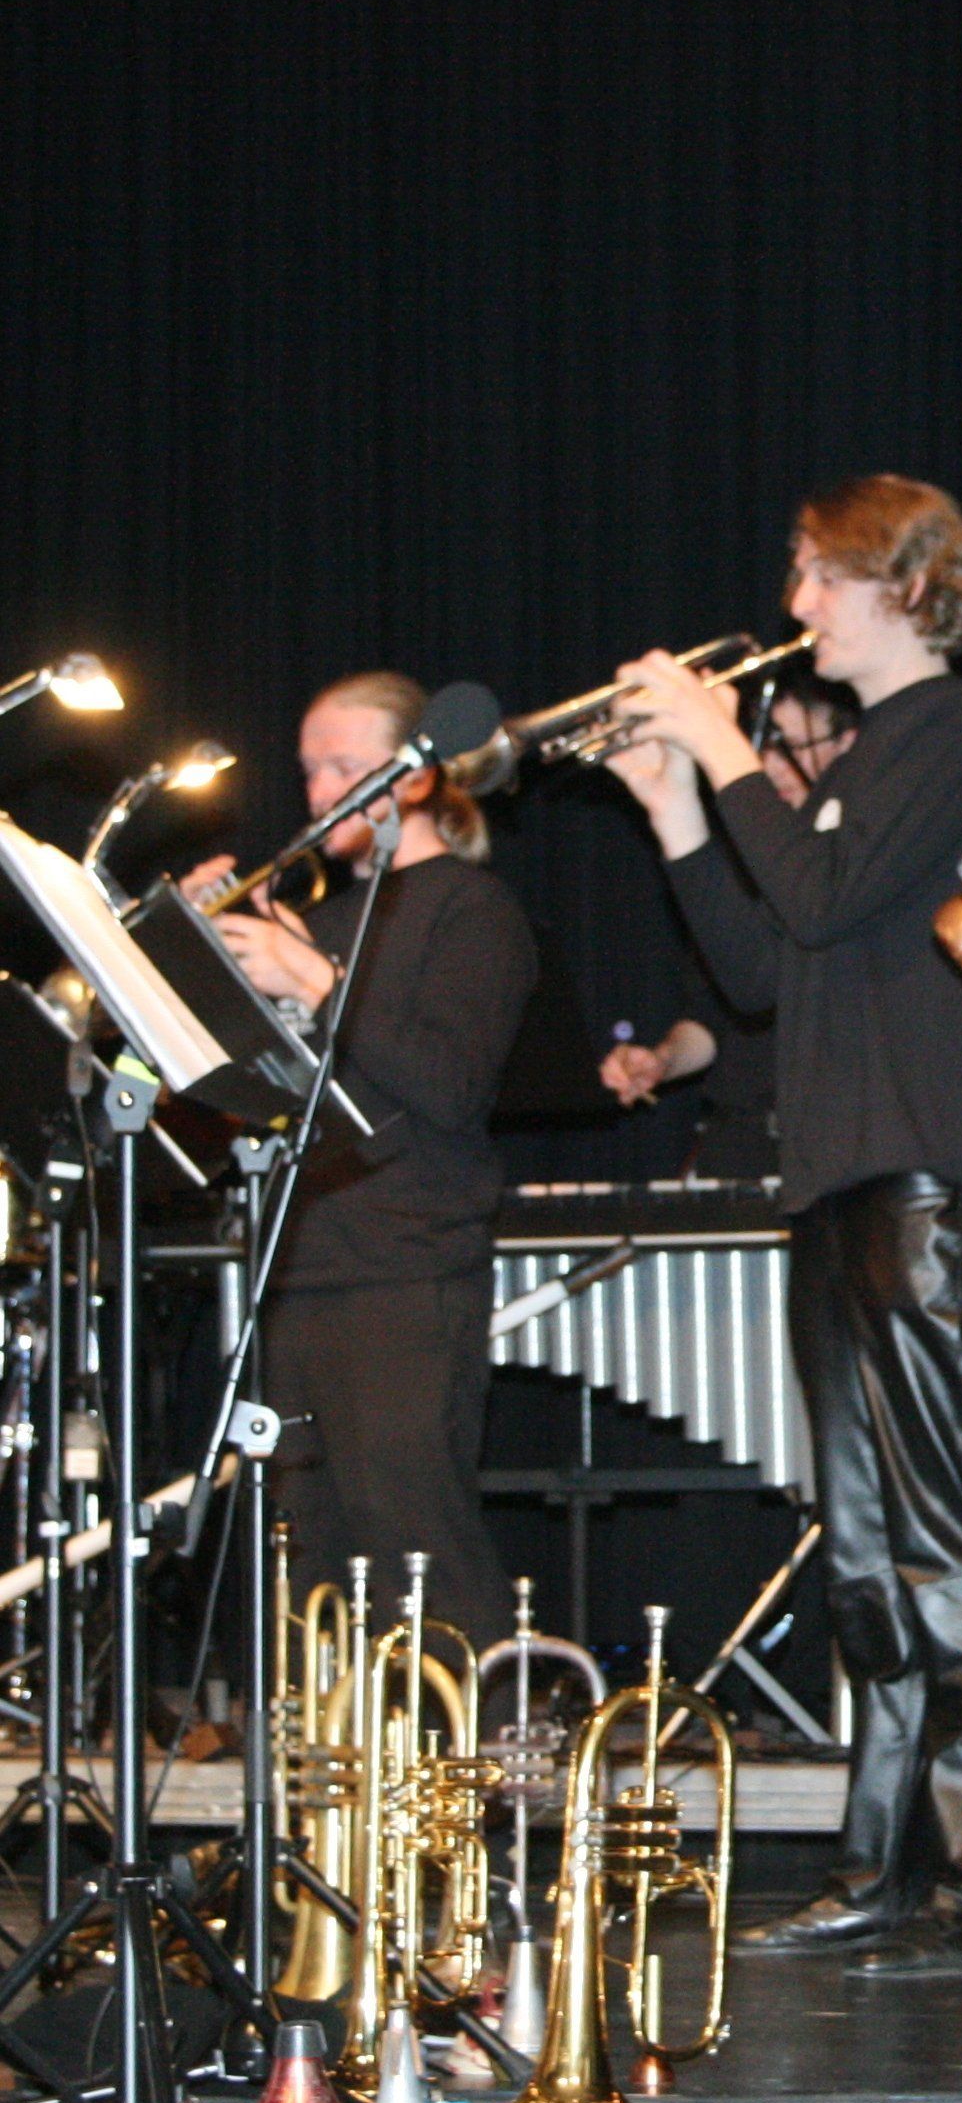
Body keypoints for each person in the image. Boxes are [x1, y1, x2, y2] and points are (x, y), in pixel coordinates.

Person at [605, 475, 962, 1975]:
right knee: (866, 1554)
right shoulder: (868, 756)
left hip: (925, 1179)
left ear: (905, 587)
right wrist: (677, 804)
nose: (793, 608)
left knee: (953, 1543)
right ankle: (880, 1869)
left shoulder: (961, 735)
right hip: (843, 1180)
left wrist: (727, 750)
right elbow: (759, 970)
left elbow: (821, 893)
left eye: (816, 577)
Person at [187, 670, 538, 1648]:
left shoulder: (473, 910)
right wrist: (200, 959)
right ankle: (333, 1752)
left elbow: (448, 1085)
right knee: (311, 1569)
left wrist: (314, 978)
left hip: (407, 1266)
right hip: (302, 1263)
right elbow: (262, 1087)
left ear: (416, 777)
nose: (318, 793)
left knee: (420, 1558)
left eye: (344, 768)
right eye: (309, 771)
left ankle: (470, 1749)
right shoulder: (327, 922)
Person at [600, 678, 857, 1177]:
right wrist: (662, 1059)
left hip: (827, 1147)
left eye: (790, 745)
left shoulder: (850, 861)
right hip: (740, 1140)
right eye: (760, 747)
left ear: (847, 746)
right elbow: (714, 1017)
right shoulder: (737, 862)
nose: (771, 765)